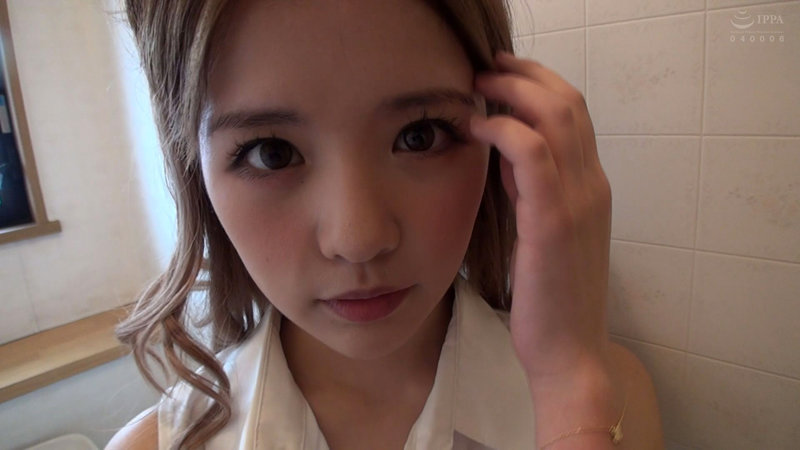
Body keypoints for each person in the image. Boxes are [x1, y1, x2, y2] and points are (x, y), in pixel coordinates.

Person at [107, 0, 663, 448]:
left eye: (419, 136)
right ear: (195, 172)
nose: (358, 240)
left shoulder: (612, 403)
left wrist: (571, 394)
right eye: (272, 153)